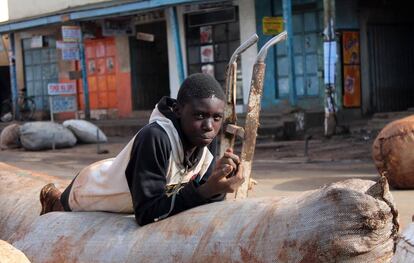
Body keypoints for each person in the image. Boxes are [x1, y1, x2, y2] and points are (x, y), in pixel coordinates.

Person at [40, 73, 244, 226]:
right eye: (199, 116)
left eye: (216, 118)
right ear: (178, 111)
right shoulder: (155, 138)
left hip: (129, 186)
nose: (209, 126)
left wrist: (221, 183)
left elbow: (202, 196)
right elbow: (147, 214)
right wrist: (208, 189)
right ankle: (55, 198)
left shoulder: (205, 141)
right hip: (93, 190)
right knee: (59, 211)